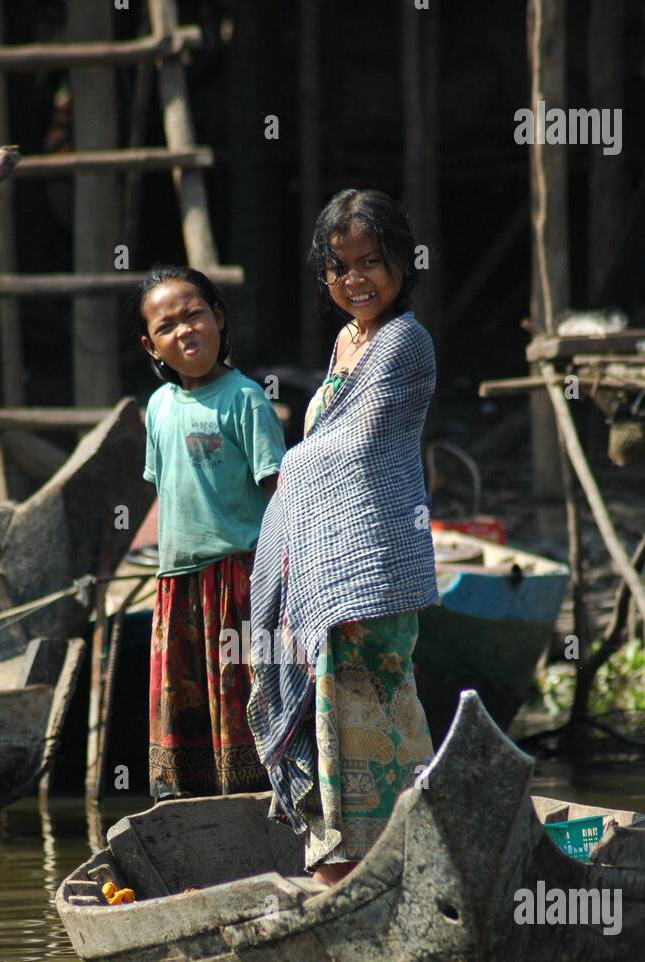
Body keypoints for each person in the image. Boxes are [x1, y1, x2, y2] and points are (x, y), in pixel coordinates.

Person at [248, 190, 437, 887]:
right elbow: (327, 448)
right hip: (323, 565)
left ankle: (406, 858)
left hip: (372, 566)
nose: (356, 279)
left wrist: (289, 470)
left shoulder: (405, 342)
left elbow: (352, 453)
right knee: (332, 725)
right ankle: (342, 867)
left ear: (400, 264)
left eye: (371, 262)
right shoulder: (345, 341)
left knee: (380, 718)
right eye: (340, 266)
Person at [138, 266, 284, 799]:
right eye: (167, 325)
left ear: (218, 317)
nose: (185, 331)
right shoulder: (157, 408)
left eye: (195, 314)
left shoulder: (245, 397)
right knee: (183, 708)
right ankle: (190, 817)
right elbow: (166, 492)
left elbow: (280, 493)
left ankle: (259, 809)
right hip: (175, 585)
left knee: (243, 699)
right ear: (150, 344)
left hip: (237, 580)